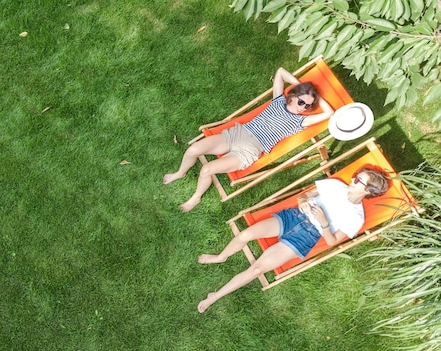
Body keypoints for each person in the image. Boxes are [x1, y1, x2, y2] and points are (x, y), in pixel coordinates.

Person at [196, 166, 391, 313]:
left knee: (257, 269)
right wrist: (304, 202)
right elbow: (305, 195)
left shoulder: (356, 218)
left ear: (368, 191)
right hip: (293, 217)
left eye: (359, 180)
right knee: (245, 235)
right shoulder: (335, 185)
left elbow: (331, 242)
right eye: (356, 175)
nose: (352, 179)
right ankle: (221, 256)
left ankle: (215, 296)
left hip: (307, 236)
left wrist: (324, 222)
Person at [164, 67, 335, 212]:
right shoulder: (278, 100)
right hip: (239, 134)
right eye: (301, 102)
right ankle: (180, 172)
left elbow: (329, 113)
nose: (304, 108)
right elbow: (280, 72)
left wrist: (316, 99)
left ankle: (196, 197)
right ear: (293, 95)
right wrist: (300, 85)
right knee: (193, 149)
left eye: (308, 106)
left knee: (207, 169)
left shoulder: (300, 121)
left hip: (250, 150)